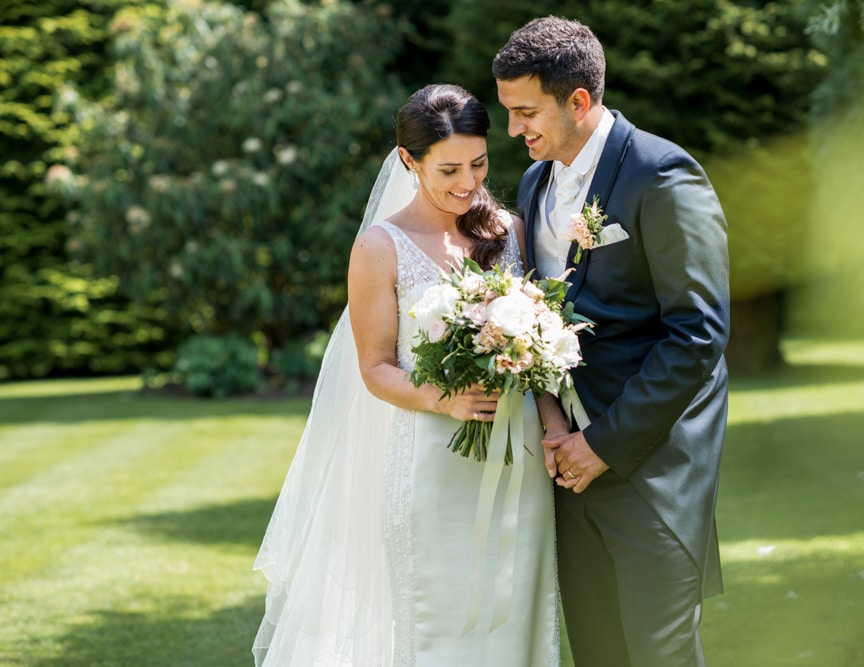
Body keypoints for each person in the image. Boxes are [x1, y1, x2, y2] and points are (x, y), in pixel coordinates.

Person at [252, 84, 561, 666]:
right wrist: (443, 402)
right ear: (408, 160)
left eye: (479, 163)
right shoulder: (379, 247)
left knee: (519, 615)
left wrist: (550, 427)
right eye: (449, 169)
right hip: (431, 461)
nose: (468, 183)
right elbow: (374, 368)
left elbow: (539, 355)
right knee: (435, 618)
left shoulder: (512, 233)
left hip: (518, 462)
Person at [493, 16, 730, 667]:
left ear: (578, 100)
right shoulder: (538, 183)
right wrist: (553, 424)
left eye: (525, 111)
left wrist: (603, 442)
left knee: (660, 653)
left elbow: (699, 333)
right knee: (597, 653)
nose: (514, 129)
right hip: (566, 469)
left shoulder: (662, 176)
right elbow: (540, 314)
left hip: (652, 468)